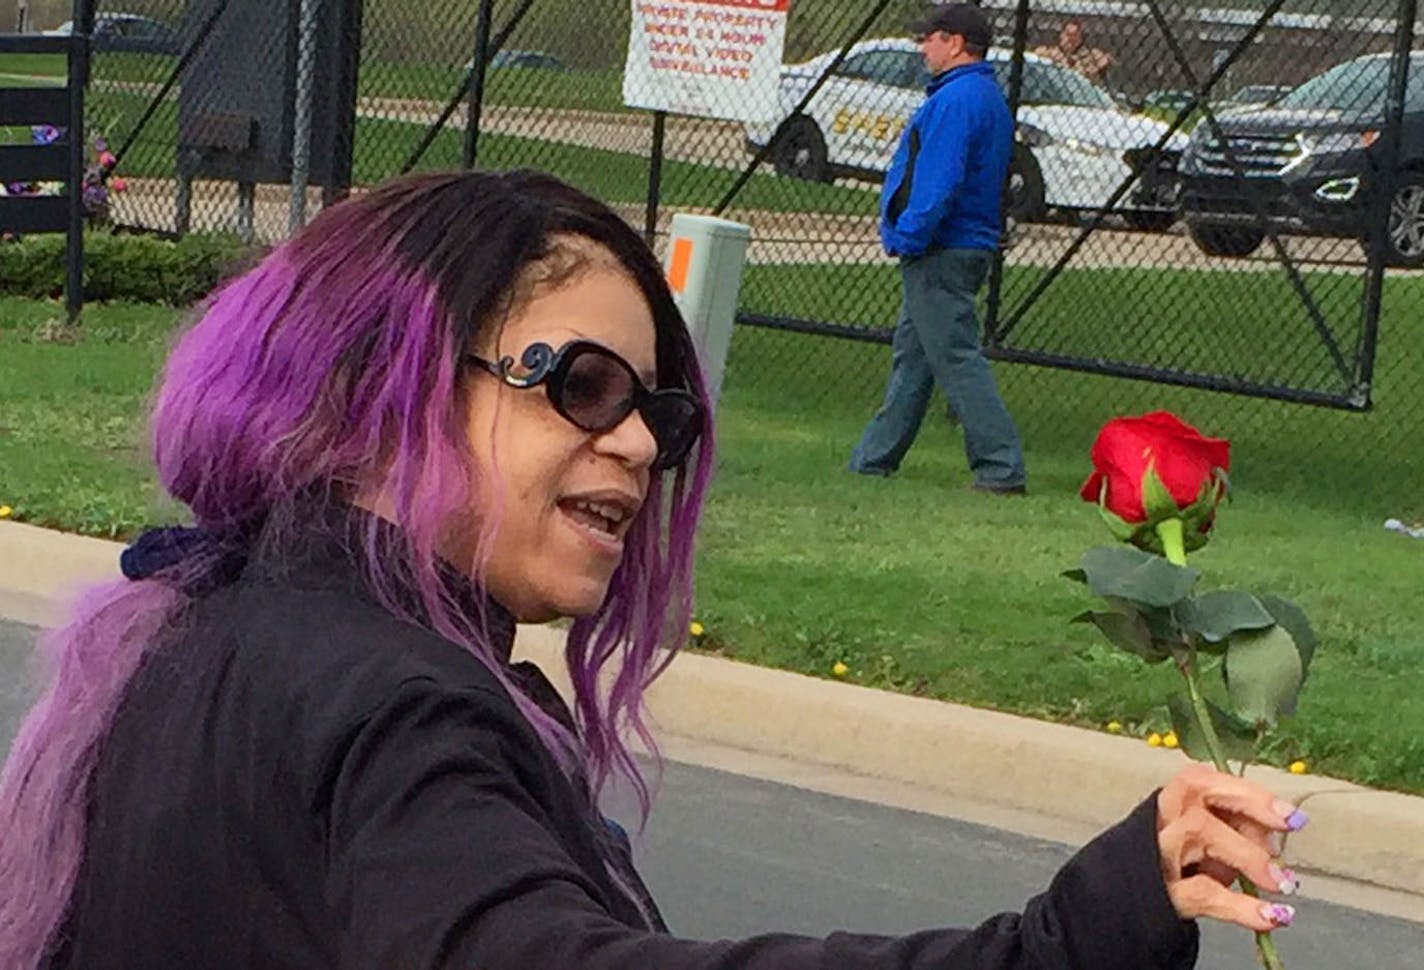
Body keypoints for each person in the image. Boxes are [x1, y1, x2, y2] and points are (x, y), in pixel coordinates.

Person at [0, 169, 1304, 969]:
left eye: (658, 411)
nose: (634, 438)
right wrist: (1068, 940)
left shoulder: (207, 625)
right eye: (576, 382)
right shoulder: (390, 695)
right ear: (372, 390)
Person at [850, 5, 1027, 494]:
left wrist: (907, 235)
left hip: (943, 249)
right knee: (914, 356)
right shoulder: (982, 96)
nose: (922, 48)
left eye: (929, 39)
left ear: (955, 42)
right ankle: (872, 459)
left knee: (956, 357)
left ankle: (1000, 466)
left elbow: (938, 179)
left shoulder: (956, 99)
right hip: (958, 245)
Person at [1035, 19, 1115, 85]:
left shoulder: (1091, 55)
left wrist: (1104, 62)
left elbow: (1111, 62)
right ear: (1061, 35)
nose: (1071, 39)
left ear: (1080, 38)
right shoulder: (1049, 52)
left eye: (1075, 35)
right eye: (1068, 34)